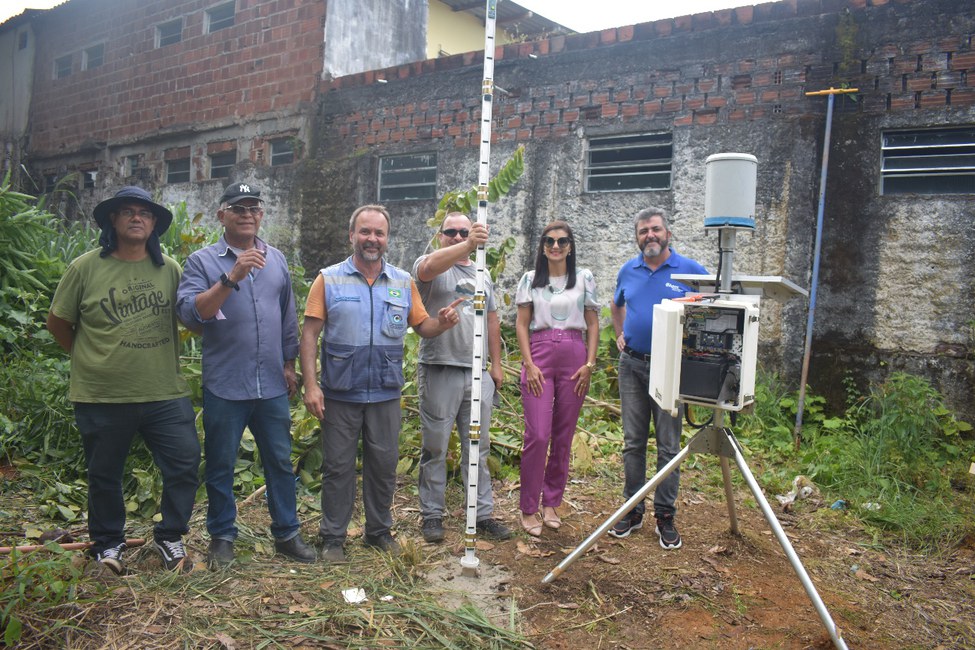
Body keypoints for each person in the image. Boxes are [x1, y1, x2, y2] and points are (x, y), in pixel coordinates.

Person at [46, 186, 200, 575]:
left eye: (144, 213)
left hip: (164, 392)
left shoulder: (170, 269)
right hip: (102, 395)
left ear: (154, 224)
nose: (137, 218)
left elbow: (191, 318)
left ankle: (169, 537)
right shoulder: (85, 267)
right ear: (112, 221)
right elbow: (58, 322)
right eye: (127, 211)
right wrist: (90, 358)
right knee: (105, 475)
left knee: (183, 464)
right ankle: (108, 546)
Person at [299, 204, 462, 563]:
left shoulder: (403, 281)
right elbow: (309, 335)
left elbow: (423, 327)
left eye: (379, 233)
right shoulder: (329, 278)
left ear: (387, 239)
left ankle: (378, 532)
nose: (372, 239)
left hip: (385, 392)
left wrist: (444, 323)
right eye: (365, 232)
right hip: (341, 393)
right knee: (338, 467)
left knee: (383, 465)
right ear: (352, 235)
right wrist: (312, 386)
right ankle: (333, 538)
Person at [176, 182, 316, 568]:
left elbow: (288, 315)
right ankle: (222, 537)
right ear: (222, 215)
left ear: (261, 215)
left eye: (253, 208)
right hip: (225, 382)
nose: (247, 214)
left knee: (280, 461)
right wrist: (231, 276)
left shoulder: (278, 260)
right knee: (220, 463)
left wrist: (289, 365)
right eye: (238, 208)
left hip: (270, 382)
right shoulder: (202, 262)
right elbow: (190, 314)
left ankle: (287, 534)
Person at [609, 207, 708, 549]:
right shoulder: (628, 270)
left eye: (655, 230)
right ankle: (632, 510)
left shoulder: (690, 270)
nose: (649, 236)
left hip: (671, 368)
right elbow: (616, 304)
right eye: (642, 232)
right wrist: (620, 333)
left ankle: (665, 516)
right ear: (637, 238)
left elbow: (712, 308)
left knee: (668, 446)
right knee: (633, 442)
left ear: (668, 234)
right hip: (632, 365)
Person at [412, 213, 511, 544]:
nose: (456, 236)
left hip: (477, 372)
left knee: (478, 448)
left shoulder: (483, 273)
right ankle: (432, 514)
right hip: (440, 367)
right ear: (440, 236)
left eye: (464, 232)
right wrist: (469, 243)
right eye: (450, 232)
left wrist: (496, 366)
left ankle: (481, 514)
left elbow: (493, 320)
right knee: (436, 447)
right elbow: (426, 268)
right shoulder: (431, 268)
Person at [515, 220, 600, 536]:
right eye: (549, 241)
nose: (555, 246)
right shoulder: (530, 280)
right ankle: (528, 507)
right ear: (542, 245)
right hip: (539, 355)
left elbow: (592, 324)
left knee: (563, 436)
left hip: (575, 358)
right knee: (538, 435)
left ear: (570, 245)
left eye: (562, 241)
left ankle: (551, 502)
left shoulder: (584, 279)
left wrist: (590, 363)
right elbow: (522, 324)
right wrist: (529, 363)